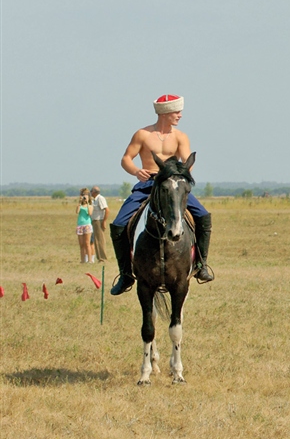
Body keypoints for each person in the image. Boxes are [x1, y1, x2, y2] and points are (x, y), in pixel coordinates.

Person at [108, 94, 214, 295]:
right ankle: (125, 275)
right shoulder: (142, 134)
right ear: (165, 113)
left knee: (203, 216)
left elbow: (186, 160)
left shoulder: (180, 137)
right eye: (177, 112)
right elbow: (126, 159)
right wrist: (136, 171)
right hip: (148, 184)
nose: (180, 116)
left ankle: (201, 265)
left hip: (172, 185)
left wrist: (181, 176)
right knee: (119, 224)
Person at [89, 186, 109, 262]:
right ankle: (99, 258)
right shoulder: (94, 200)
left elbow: (107, 210)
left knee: (100, 240)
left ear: (94, 192)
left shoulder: (100, 198)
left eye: (91, 191)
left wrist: (104, 221)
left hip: (99, 221)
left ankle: (103, 258)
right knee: (96, 240)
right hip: (94, 221)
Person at [76, 189, 94, 264]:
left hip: (87, 225)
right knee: (81, 244)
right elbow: (77, 211)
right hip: (80, 225)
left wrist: (87, 203)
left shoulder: (90, 206)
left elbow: (89, 213)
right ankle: (82, 260)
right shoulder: (79, 205)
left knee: (87, 243)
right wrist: (80, 203)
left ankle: (89, 260)